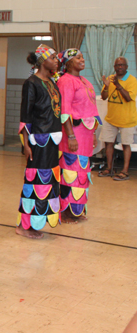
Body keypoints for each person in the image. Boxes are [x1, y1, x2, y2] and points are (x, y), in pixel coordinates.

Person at [15, 44, 62, 239]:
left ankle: (37, 221)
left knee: (48, 181)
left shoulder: (51, 82)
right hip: (38, 140)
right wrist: (26, 144)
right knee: (34, 182)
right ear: (42, 60)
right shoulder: (31, 83)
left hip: (52, 139)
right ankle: (23, 225)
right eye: (53, 57)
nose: (56, 60)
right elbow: (25, 116)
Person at [56, 49, 101, 223]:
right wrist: (71, 136)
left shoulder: (85, 81)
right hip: (72, 136)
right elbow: (65, 111)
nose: (82, 60)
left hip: (86, 136)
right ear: (68, 63)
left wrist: (94, 133)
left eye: (82, 57)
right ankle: (66, 211)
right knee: (70, 172)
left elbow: (91, 111)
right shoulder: (65, 81)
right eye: (78, 58)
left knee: (82, 173)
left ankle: (77, 210)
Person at [98, 57, 137, 181]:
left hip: (127, 119)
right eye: (117, 65)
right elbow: (104, 97)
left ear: (126, 66)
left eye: (122, 65)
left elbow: (128, 98)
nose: (119, 67)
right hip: (111, 119)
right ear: (114, 67)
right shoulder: (110, 78)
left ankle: (125, 171)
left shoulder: (132, 80)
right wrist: (106, 86)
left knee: (126, 145)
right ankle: (109, 168)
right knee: (108, 143)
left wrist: (117, 85)